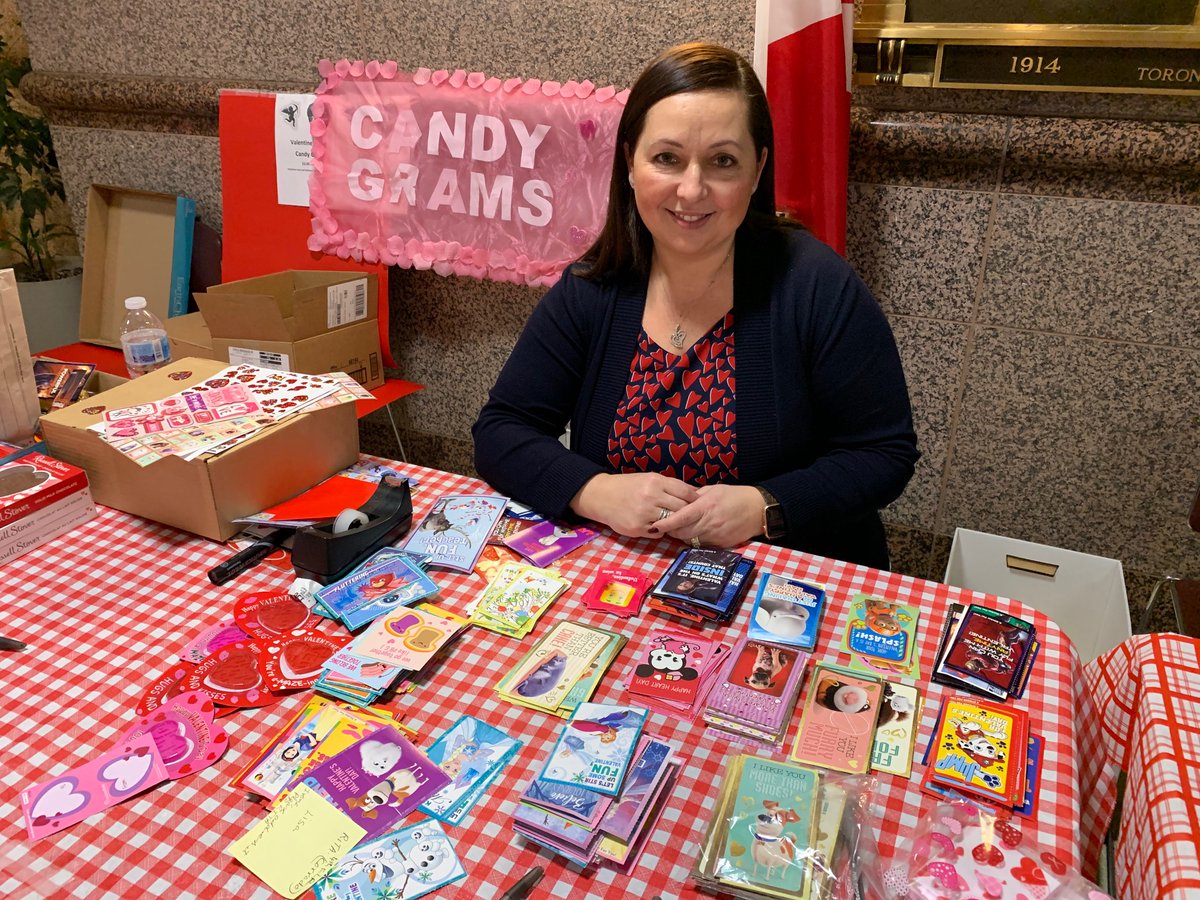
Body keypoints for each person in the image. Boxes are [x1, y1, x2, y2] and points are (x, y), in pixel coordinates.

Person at [472, 41, 918, 570]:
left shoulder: (816, 284)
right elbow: (501, 430)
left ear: (757, 171)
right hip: (627, 579)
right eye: (667, 158)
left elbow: (883, 455)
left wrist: (765, 506)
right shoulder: (594, 286)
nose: (691, 189)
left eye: (722, 161)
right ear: (630, 164)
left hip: (782, 583)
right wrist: (592, 490)